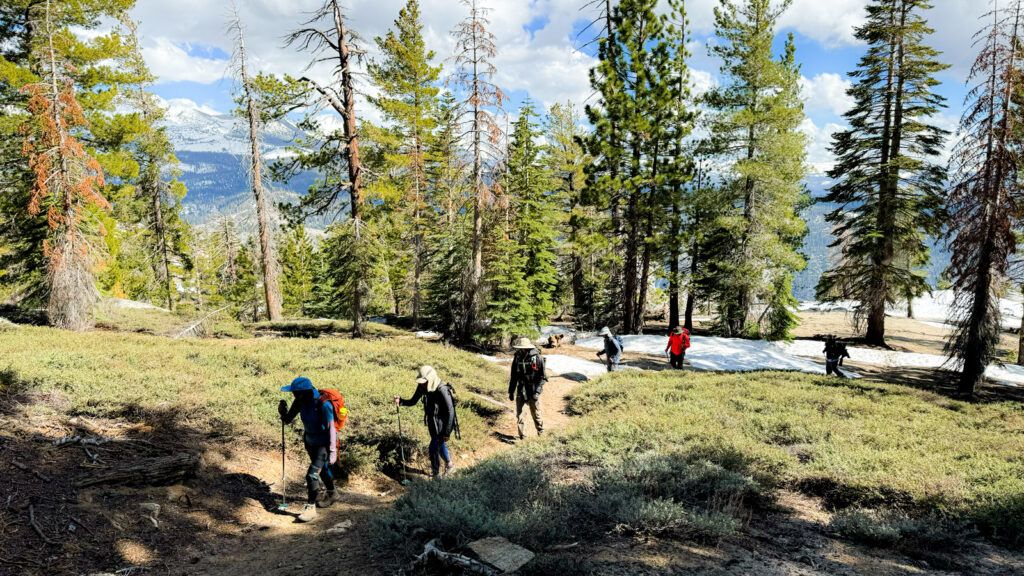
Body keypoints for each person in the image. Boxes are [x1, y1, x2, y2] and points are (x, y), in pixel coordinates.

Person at [278, 376, 339, 523]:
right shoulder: (300, 401)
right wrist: (282, 412)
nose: (293, 395)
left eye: (294, 392)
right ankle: (332, 493)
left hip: (323, 444)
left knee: (312, 474)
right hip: (310, 441)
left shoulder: (324, 405)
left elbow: (332, 429)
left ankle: (310, 508)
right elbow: (287, 419)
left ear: (303, 392)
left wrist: (332, 452)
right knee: (322, 469)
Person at [394, 366, 457, 479]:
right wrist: (401, 401)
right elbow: (413, 401)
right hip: (432, 422)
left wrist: (447, 432)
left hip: (443, 424)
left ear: (431, 379)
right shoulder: (422, 387)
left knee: (433, 447)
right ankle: (450, 465)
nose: (422, 384)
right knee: (439, 444)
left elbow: (451, 412)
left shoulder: (442, 389)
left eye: (424, 382)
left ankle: (436, 474)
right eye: (421, 382)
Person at [509, 337, 546, 440]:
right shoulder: (517, 357)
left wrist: (537, 392)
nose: (522, 350)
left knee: (536, 414)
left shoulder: (537, 357)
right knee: (520, 415)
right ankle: (522, 437)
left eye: (524, 348)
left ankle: (541, 434)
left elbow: (543, 377)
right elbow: (514, 376)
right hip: (521, 390)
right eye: (521, 348)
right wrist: (511, 391)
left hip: (533, 390)